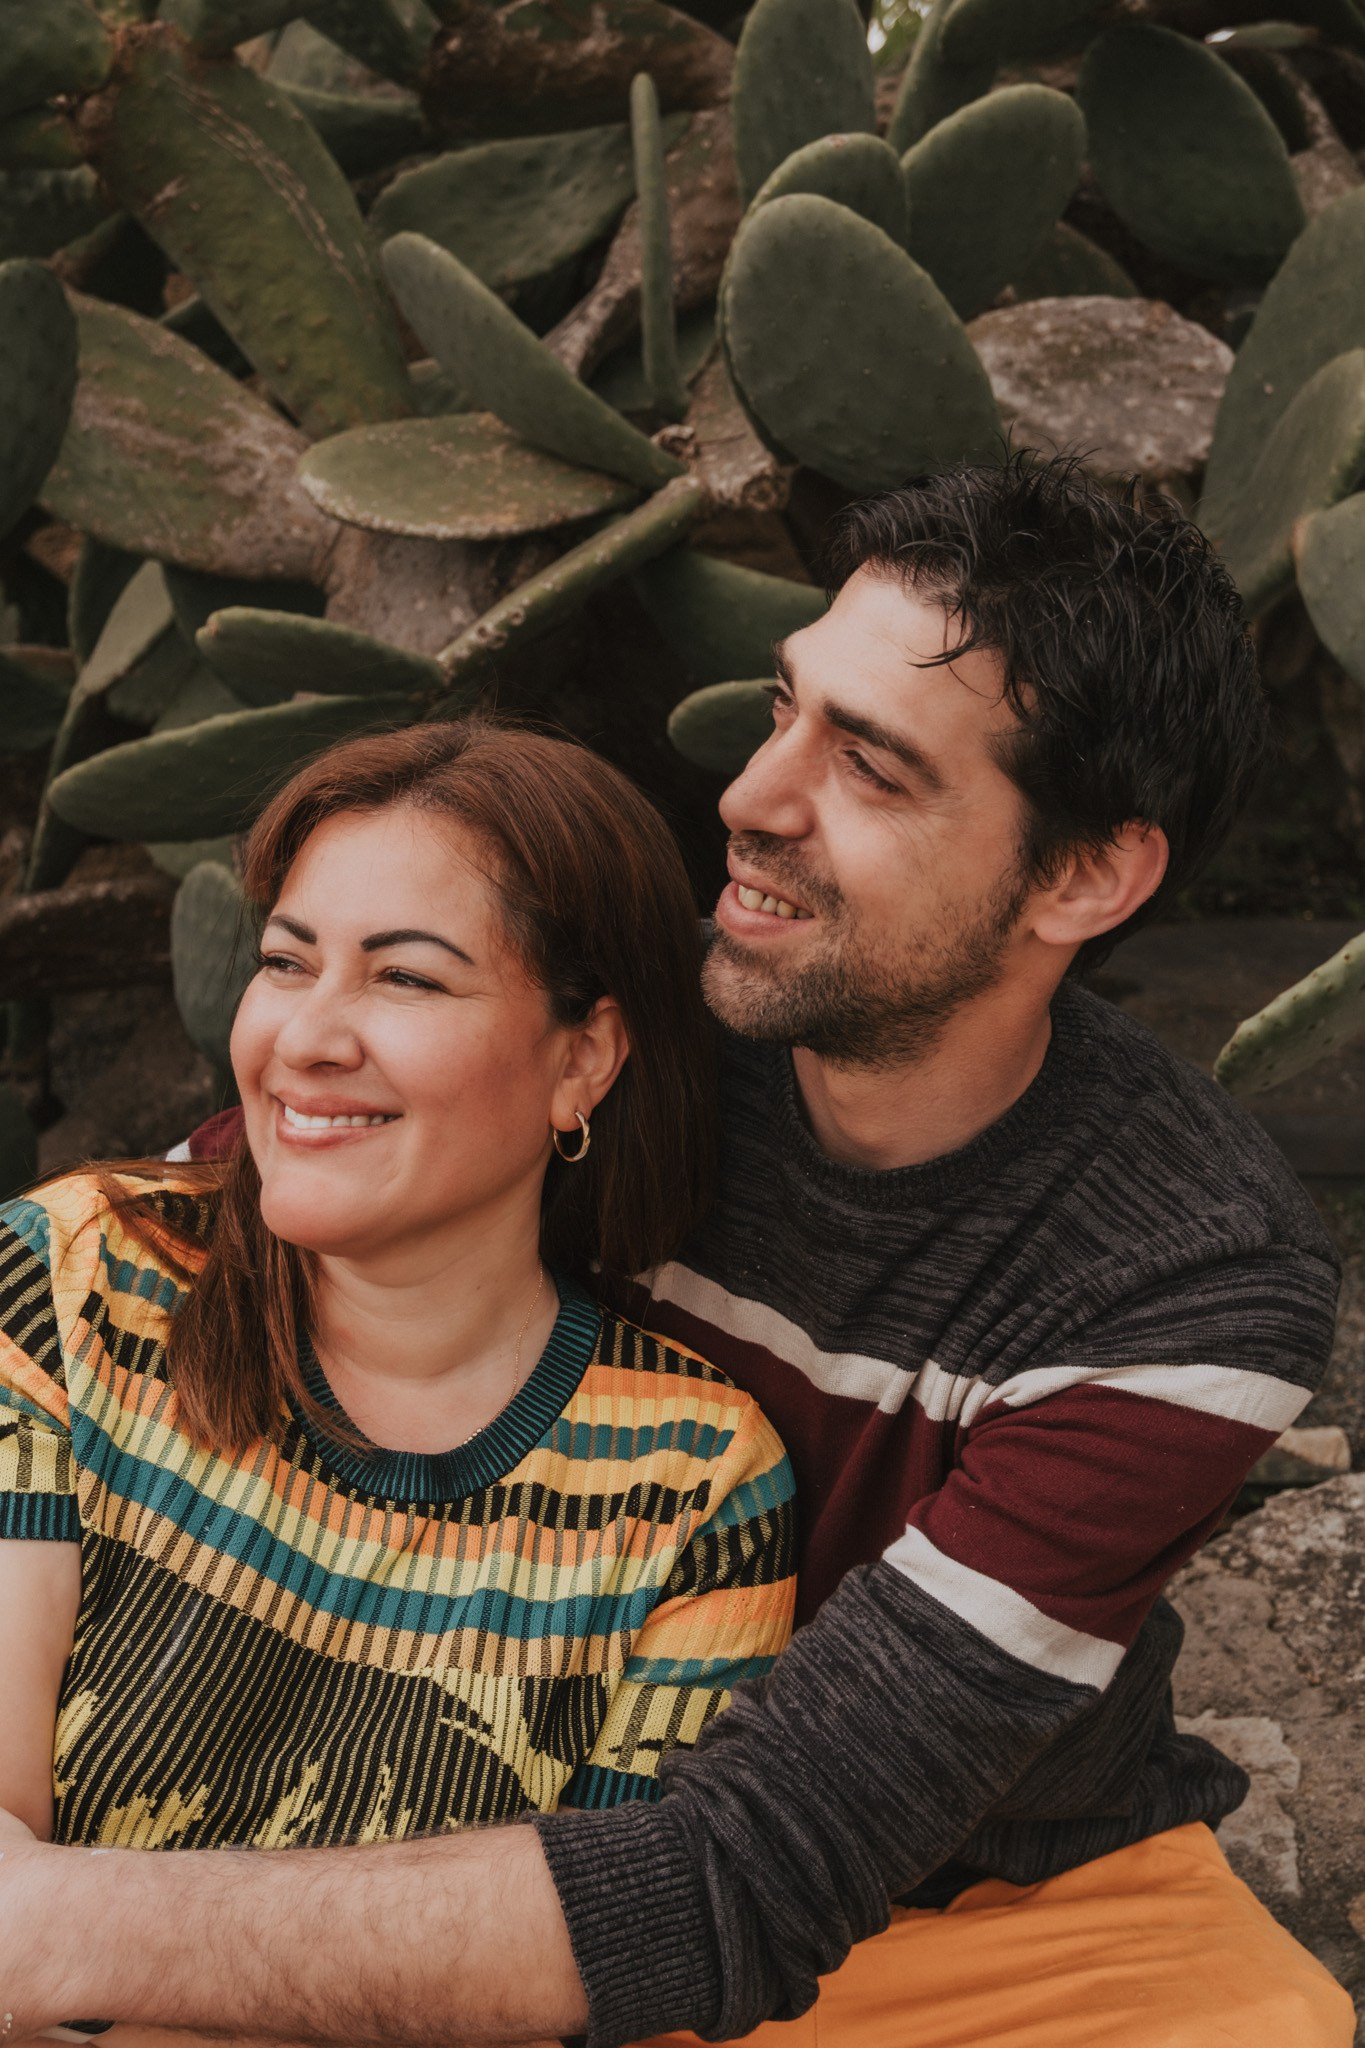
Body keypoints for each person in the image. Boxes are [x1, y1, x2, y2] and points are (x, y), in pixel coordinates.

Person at [0, 455, 1352, 2047]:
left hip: (974, 1904)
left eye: (870, 767)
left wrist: (53, 1931)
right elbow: (168, 1245)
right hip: (510, 1818)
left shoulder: (1182, 1276)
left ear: (1084, 875)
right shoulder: (614, 1026)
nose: (751, 798)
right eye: (784, 710)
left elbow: (750, 1871)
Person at [0, 725, 794, 1896]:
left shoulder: (696, 1485)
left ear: (582, 1059)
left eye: (406, 976)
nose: (306, 1039)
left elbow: (594, 1955)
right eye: (285, 961)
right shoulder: (72, 1279)